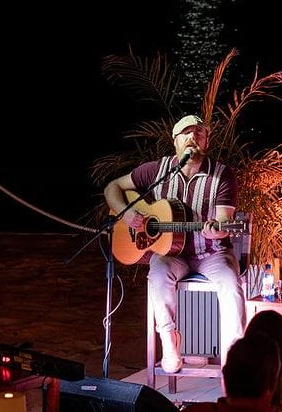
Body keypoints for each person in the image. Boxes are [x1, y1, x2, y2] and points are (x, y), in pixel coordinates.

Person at [103, 113, 245, 375]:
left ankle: (235, 356)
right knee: (157, 274)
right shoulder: (157, 171)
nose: (193, 138)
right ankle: (169, 343)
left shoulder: (222, 175)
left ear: (207, 141)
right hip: (170, 253)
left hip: (211, 253)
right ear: (175, 140)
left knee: (230, 283)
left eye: (199, 134)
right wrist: (127, 213)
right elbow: (112, 187)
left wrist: (217, 230)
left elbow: (225, 221)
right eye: (186, 134)